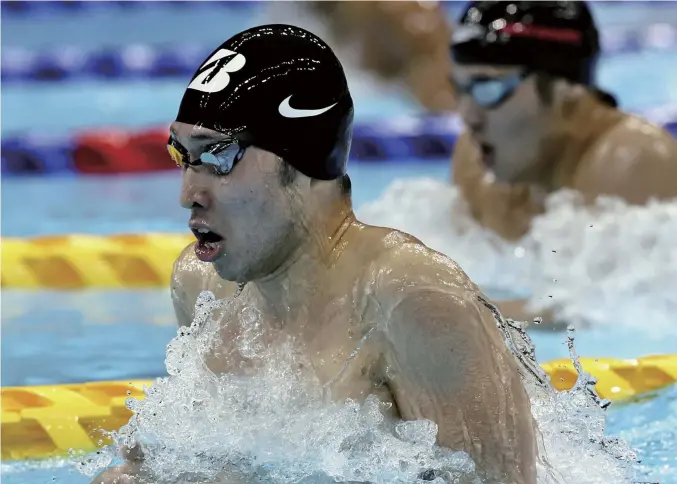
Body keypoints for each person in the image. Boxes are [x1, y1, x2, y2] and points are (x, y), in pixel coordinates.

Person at [93, 24, 536, 484]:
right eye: (182, 155)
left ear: (300, 161)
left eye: (218, 157)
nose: (188, 194)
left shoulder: (410, 299)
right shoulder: (202, 285)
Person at [449, 1, 677, 322]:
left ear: (564, 91)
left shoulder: (632, 161)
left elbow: (607, 312)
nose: (468, 116)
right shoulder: (475, 161)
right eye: (459, 90)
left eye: (488, 87)